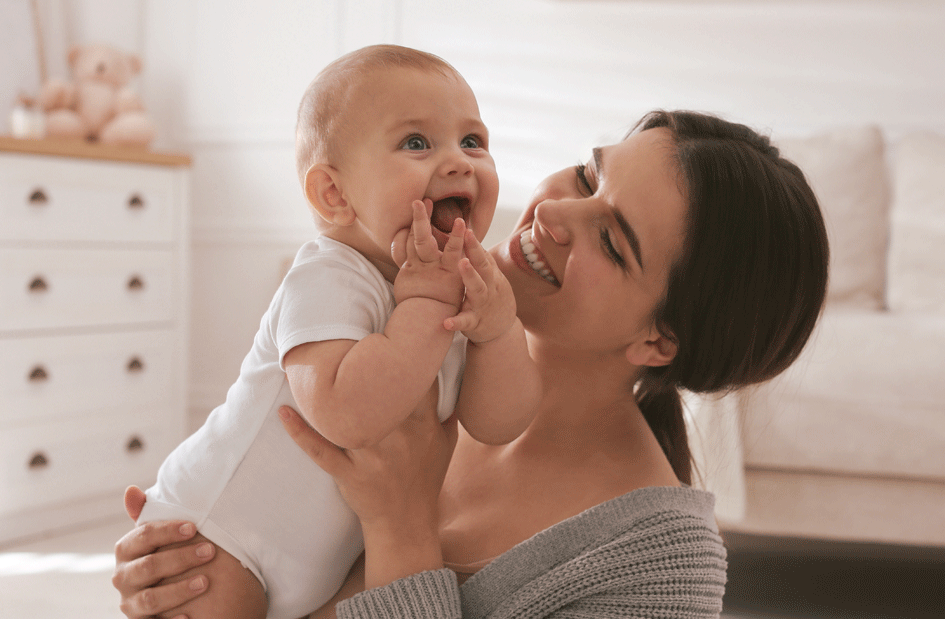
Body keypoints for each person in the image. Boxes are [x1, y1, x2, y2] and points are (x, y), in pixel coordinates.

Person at [114, 109, 830, 618]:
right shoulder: (406, 341)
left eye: (612, 241)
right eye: (587, 176)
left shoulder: (658, 571)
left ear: (659, 341)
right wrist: (186, 559)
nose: (553, 214)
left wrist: (400, 529)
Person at [133, 45, 540, 619]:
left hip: (316, 568)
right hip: (219, 537)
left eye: (472, 141)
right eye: (417, 143)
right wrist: (424, 303)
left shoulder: (456, 286)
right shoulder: (327, 276)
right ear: (335, 194)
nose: (459, 162)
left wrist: (498, 331)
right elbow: (347, 414)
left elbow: (501, 423)